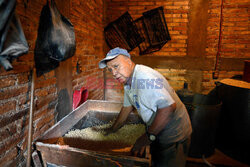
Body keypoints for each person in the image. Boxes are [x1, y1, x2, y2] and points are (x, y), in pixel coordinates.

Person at [98, 47, 192, 167]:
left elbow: (168, 108)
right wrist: (113, 128)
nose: (114, 73)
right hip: (159, 132)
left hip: (174, 136)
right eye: (110, 70)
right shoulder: (128, 81)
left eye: (116, 66)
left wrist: (147, 137)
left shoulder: (144, 78)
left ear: (128, 60)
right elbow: (127, 107)